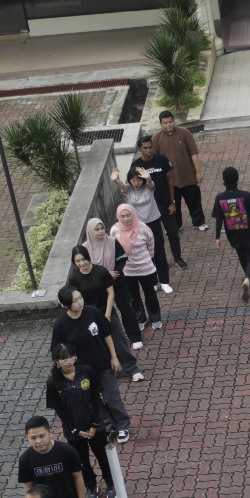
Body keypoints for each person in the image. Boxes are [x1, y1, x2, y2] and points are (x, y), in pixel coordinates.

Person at [52, 286, 134, 437]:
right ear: (66, 305)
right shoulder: (61, 325)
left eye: (80, 298)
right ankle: (107, 426)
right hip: (81, 372)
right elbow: (57, 350)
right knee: (93, 400)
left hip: (102, 364)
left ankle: (122, 425)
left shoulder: (93, 312)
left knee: (112, 397)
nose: (80, 302)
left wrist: (114, 357)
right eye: (75, 301)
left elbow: (107, 334)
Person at [46, 344, 114, 498]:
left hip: (95, 425)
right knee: (81, 461)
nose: (69, 361)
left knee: (103, 456)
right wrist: (75, 430)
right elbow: (59, 410)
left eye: (72, 357)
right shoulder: (53, 382)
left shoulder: (87, 371)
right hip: (74, 430)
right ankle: (91, 486)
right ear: (57, 361)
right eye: (64, 359)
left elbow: (96, 399)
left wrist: (95, 425)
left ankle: (111, 483)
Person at [67, 245, 143, 374]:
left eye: (83, 259)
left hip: (107, 312)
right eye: (77, 261)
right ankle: (111, 370)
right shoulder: (74, 278)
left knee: (119, 341)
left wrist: (107, 314)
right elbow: (77, 300)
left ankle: (131, 368)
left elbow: (110, 293)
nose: (82, 263)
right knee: (99, 345)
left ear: (89, 257)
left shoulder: (101, 271)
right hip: (90, 316)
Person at [111, 159, 176, 290]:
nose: (136, 183)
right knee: (145, 254)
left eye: (138, 180)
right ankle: (153, 282)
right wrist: (115, 179)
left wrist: (148, 178)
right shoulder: (129, 190)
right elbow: (120, 184)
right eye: (133, 180)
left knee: (158, 251)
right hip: (138, 226)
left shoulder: (148, 187)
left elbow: (151, 184)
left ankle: (164, 281)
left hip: (153, 223)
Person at [130, 136, 185, 271]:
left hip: (165, 203)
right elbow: (134, 187)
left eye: (150, 147)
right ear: (139, 149)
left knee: (173, 232)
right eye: (145, 148)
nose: (149, 150)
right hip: (148, 208)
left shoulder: (162, 160)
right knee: (155, 237)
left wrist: (172, 202)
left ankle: (178, 258)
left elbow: (170, 182)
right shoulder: (136, 166)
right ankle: (158, 261)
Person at [212, 166, 250, 301]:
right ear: (237, 179)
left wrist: (217, 237)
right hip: (248, 230)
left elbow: (219, 219)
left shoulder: (219, 198)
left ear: (224, 180)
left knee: (241, 255)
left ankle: (247, 276)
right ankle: (248, 278)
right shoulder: (245, 195)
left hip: (232, 232)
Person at [111, 204, 163, 332]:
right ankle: (140, 319)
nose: (126, 219)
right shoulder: (114, 230)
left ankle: (155, 318)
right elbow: (114, 249)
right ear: (118, 217)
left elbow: (151, 246)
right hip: (127, 270)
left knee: (150, 294)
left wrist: (147, 259)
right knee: (133, 297)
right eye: (122, 216)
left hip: (145, 268)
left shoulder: (143, 227)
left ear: (133, 214)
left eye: (128, 215)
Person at [150, 110, 205, 231]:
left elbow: (194, 153)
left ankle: (199, 222)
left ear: (174, 121)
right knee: (173, 204)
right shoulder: (156, 138)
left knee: (194, 201)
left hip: (188, 176)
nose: (168, 124)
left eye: (170, 121)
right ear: (161, 124)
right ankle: (176, 225)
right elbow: (154, 159)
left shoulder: (184, 133)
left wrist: (198, 172)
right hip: (170, 181)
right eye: (165, 123)